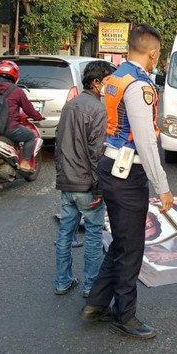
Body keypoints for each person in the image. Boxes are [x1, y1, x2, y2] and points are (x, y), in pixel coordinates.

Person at [81, 24, 173, 340]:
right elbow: (146, 140)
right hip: (127, 170)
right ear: (153, 53)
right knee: (132, 246)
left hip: (111, 163)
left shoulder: (116, 77)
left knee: (121, 241)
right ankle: (126, 315)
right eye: (158, 55)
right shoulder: (139, 84)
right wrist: (162, 185)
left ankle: (96, 304)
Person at [54, 60, 114, 298]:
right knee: (93, 235)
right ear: (97, 83)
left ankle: (62, 281)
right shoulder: (98, 110)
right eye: (109, 81)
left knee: (65, 235)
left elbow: (59, 145)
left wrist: (62, 177)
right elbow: (96, 152)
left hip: (67, 182)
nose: (112, 87)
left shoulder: (70, 106)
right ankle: (91, 286)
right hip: (87, 184)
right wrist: (99, 189)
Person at [0, 60, 44, 171]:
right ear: (15, 74)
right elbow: (29, 110)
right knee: (30, 136)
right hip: (7, 128)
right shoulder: (17, 91)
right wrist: (38, 116)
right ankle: (24, 163)